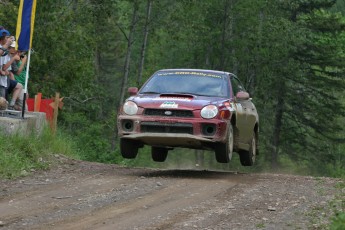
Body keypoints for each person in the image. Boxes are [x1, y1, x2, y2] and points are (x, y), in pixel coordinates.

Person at [0, 29, 23, 111]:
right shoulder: (4, 51)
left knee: (2, 104)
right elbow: (5, 69)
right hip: (4, 81)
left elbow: (6, 71)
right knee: (2, 104)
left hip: (4, 81)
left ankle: (11, 104)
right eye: (7, 37)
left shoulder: (6, 52)